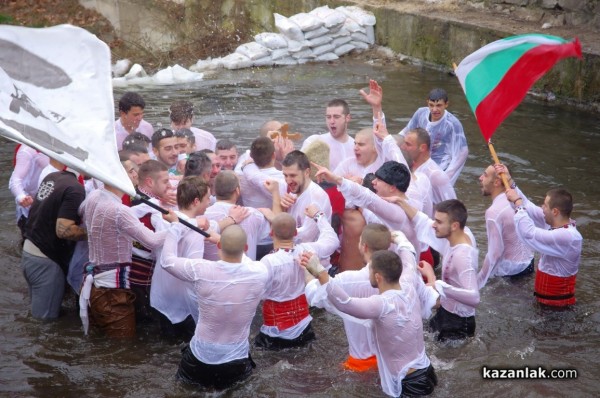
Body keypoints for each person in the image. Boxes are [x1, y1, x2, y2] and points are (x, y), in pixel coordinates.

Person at [302, 249, 437, 397]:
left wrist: (321, 273)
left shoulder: (382, 305)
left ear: (378, 277)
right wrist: (400, 239)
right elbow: (408, 257)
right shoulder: (409, 284)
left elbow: (345, 303)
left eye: (370, 271)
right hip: (426, 370)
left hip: (410, 382)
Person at [161, 224, 269, 389]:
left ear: (219, 246)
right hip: (236, 361)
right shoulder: (260, 272)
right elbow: (243, 257)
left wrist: (175, 227)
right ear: (246, 248)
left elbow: (167, 262)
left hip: (200, 358)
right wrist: (225, 240)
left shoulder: (201, 269)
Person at [80, 182, 175, 337]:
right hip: (113, 292)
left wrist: (151, 205)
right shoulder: (120, 210)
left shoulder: (94, 196)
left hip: (96, 285)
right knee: (122, 350)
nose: (135, 179)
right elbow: (152, 240)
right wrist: (178, 226)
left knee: (101, 343)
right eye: (130, 174)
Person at [391, 198, 479, 341]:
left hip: (458, 322)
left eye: (438, 222)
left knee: (445, 361)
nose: (433, 225)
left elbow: (474, 298)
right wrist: (400, 201)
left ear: (455, 225)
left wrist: (436, 284)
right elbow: (423, 222)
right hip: (445, 311)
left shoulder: (463, 256)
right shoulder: (459, 234)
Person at [256, 208, 338, 350]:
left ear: (271, 233)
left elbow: (256, 292)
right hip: (305, 328)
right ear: (295, 233)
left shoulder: (267, 262)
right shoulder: (307, 251)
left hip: (275, 334)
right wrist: (318, 216)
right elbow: (332, 241)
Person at [501, 165, 582, 307]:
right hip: (545, 302)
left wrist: (518, 204)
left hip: (557, 309)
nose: (542, 208)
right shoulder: (556, 224)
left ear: (555, 211)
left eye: (545, 205)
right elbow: (529, 207)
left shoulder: (568, 237)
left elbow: (529, 233)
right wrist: (510, 180)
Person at [151, 176, 218, 339]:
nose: (210, 202)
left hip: (160, 296)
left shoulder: (163, 220)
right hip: (182, 304)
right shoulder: (196, 232)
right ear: (196, 201)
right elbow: (193, 272)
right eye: (207, 198)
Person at [21, 163, 86, 319]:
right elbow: (63, 229)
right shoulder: (75, 189)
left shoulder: (52, 177)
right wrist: (92, 233)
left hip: (29, 252)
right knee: (45, 322)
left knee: (36, 314)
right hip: (47, 261)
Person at [477, 164, 534, 288]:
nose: (480, 178)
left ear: (497, 182)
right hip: (528, 262)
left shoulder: (493, 212)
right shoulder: (518, 199)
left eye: (485, 175)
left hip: (509, 272)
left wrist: (480, 280)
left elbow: (495, 253)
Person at [399, 88, 468, 185]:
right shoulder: (420, 113)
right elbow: (406, 132)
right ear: (427, 103)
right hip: (419, 163)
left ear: (446, 104)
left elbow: (462, 152)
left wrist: (447, 176)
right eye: (431, 105)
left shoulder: (452, 124)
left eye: (439, 105)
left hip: (440, 166)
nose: (434, 109)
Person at [203, 171, 271, 261]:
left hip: (211, 273)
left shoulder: (202, 216)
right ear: (237, 190)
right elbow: (275, 235)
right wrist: (272, 215)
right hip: (246, 272)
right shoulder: (253, 214)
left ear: (214, 190)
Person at [400, 127, 456, 209]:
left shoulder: (435, 175)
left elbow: (453, 209)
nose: (402, 147)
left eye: (408, 144)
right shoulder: (408, 165)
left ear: (422, 148)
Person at [301, 99, 355, 171]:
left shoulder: (357, 146)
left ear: (347, 118)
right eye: (328, 117)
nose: (331, 121)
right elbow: (298, 168)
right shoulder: (314, 141)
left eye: (336, 117)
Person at [9, 144, 49, 233]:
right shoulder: (27, 150)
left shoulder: (61, 146)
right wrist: (21, 197)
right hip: (31, 207)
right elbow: (15, 180)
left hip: (50, 204)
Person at [238, 136, 285, 209]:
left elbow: (245, 156)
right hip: (273, 219)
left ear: (251, 156)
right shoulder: (283, 178)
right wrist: (285, 157)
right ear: (274, 155)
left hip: (248, 217)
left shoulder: (242, 174)